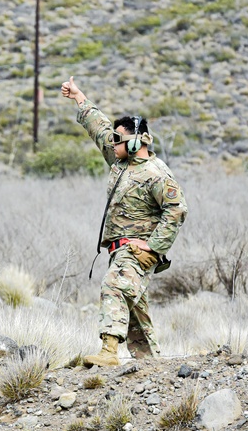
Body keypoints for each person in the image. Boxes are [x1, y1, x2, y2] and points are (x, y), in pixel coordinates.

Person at [60, 76, 187, 367]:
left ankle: (108, 352)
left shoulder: (156, 173)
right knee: (135, 317)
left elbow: (177, 209)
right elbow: (99, 128)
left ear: (138, 141)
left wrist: (154, 248)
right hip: (119, 250)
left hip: (137, 252)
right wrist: (79, 97)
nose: (112, 142)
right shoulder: (120, 162)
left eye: (119, 139)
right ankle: (153, 367)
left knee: (114, 286)